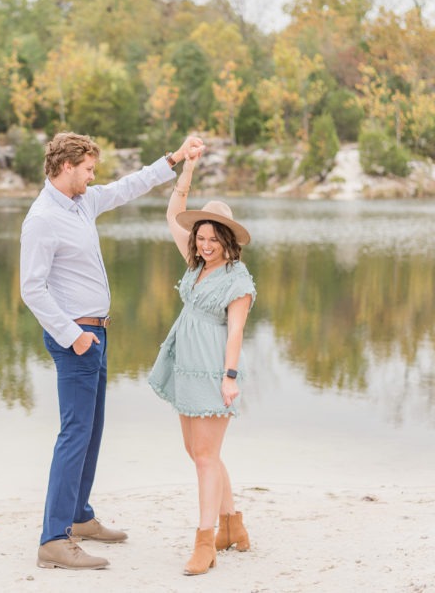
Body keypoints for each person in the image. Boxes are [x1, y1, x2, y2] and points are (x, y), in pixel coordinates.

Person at [20, 131, 204, 570]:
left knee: (92, 430)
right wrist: (74, 335)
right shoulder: (43, 218)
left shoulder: (81, 202)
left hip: (96, 335)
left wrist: (175, 158)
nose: (92, 176)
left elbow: (127, 186)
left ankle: (79, 516)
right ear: (66, 167)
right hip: (77, 340)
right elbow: (32, 288)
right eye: (87, 169)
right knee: (74, 434)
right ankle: (53, 538)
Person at [147, 150, 256, 576]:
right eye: (201, 237)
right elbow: (174, 213)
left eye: (213, 239)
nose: (205, 245)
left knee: (207, 456)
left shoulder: (238, 281)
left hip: (213, 371)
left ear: (229, 241)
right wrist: (187, 168)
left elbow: (235, 333)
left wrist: (230, 378)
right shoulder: (197, 265)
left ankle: (205, 541)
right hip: (185, 366)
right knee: (197, 451)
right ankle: (233, 527)